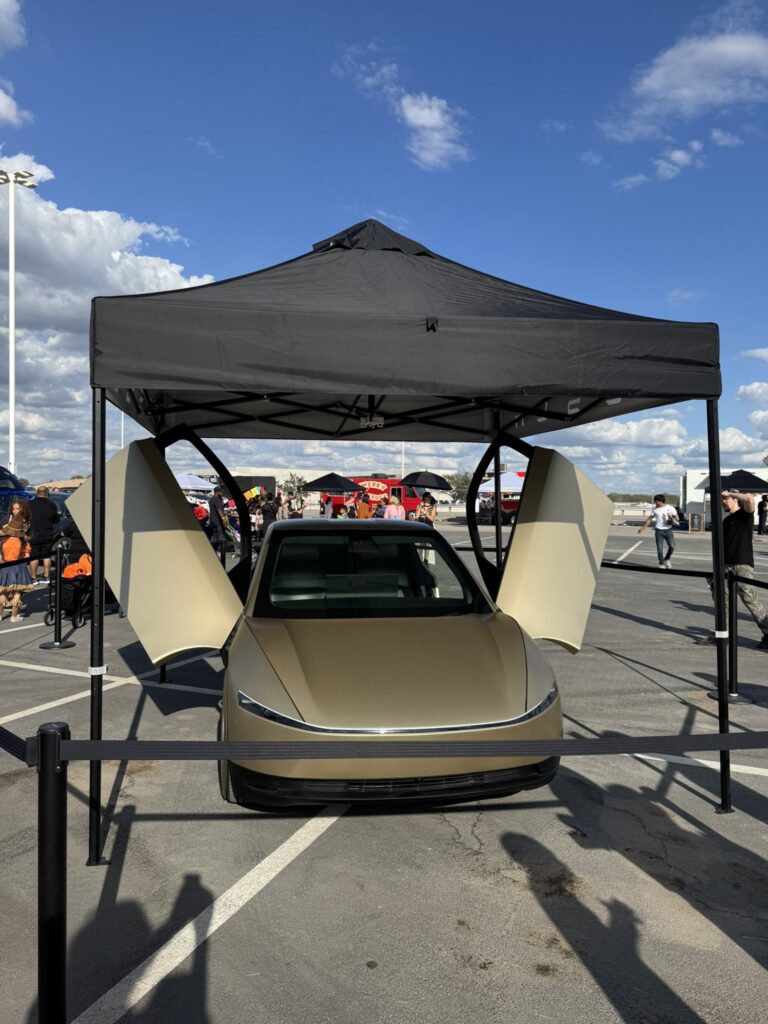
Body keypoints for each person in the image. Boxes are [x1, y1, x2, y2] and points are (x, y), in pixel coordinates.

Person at [707, 491, 768, 648]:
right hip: (725, 565)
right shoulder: (726, 521)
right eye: (722, 499)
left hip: (742, 563)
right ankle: (723, 634)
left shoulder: (745, 515)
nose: (723, 501)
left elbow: (749, 499)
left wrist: (731, 492)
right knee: (722, 601)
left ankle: (767, 631)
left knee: (749, 598)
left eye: (726, 499)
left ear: (735, 500)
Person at [0, 507, 34, 623]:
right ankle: (14, 616)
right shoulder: (22, 543)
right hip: (19, 567)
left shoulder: (3, 541)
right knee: (17, 593)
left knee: (3, 592)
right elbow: (26, 556)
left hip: (5, 566)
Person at [28, 485, 60, 583]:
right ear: (47, 494)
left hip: (34, 534)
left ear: (37, 493)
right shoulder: (52, 505)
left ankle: (33, 578)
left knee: (34, 556)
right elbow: (56, 520)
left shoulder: (30, 504)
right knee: (47, 556)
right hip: (48, 533)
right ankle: (46, 577)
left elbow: (25, 518)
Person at [638, 494, 679, 569]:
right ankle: (661, 563)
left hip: (668, 530)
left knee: (672, 546)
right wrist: (642, 528)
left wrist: (672, 518)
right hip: (658, 531)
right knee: (659, 549)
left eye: (656, 501)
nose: (655, 503)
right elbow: (650, 519)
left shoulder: (670, 508)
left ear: (660, 501)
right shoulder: (655, 509)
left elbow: (677, 518)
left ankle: (666, 559)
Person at [208, 487, 227, 554]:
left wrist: (209, 520)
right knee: (221, 533)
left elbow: (211, 511)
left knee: (214, 535)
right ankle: (221, 550)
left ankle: (210, 548)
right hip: (218, 520)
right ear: (218, 492)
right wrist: (223, 518)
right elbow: (219, 510)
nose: (222, 493)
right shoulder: (217, 499)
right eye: (221, 492)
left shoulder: (211, 499)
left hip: (213, 521)